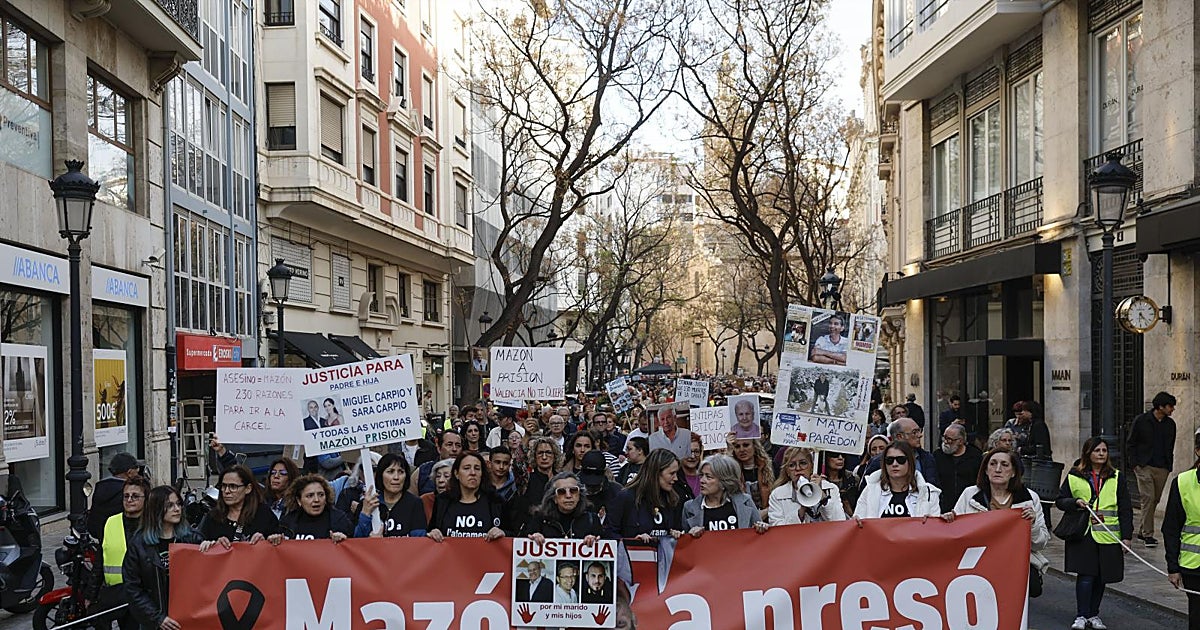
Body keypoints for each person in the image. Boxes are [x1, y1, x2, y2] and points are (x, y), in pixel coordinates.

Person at [944, 448, 1050, 593]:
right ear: (986, 471)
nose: (998, 469)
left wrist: (1032, 525)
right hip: (977, 565)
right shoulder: (970, 495)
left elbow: (1041, 544)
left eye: (1005, 465)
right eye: (993, 464)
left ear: (1013, 472)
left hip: (1014, 567)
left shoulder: (1030, 499)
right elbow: (956, 534)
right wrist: (949, 521)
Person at [1055, 436, 1133, 630]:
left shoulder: (1117, 476)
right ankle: (1082, 614)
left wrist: (1127, 537)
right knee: (1086, 575)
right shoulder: (1074, 474)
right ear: (1088, 453)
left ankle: (1094, 614)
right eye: (1097, 450)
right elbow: (1060, 500)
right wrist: (1075, 503)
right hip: (1083, 532)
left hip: (1108, 534)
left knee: (1101, 576)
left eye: (1104, 451)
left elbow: (1125, 508)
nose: (1101, 454)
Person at [123, 486, 200, 630]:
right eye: (170, 505)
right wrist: (157, 618)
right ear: (156, 509)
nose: (177, 509)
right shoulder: (139, 544)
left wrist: (209, 546)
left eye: (178, 504)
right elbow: (132, 587)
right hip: (154, 622)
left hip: (188, 617)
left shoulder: (192, 538)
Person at [1128, 391, 1177, 549]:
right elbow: (1131, 443)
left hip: (1162, 467)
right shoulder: (1141, 421)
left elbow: (1170, 446)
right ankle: (1148, 534)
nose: (1173, 409)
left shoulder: (1170, 425)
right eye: (1170, 406)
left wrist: (1169, 466)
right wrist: (1135, 464)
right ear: (1160, 407)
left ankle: (1142, 530)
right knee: (1148, 497)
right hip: (1144, 466)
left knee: (1155, 499)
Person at [100, 478, 150, 630]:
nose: (129, 500)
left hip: (145, 594)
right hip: (118, 593)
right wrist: (91, 594)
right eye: (126, 496)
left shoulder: (153, 524)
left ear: (146, 499)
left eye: (135, 496)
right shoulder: (111, 522)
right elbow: (100, 558)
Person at [1162, 430, 1200, 623]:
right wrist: (1172, 567)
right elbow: (1170, 528)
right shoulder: (1183, 482)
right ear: (1198, 451)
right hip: (1194, 565)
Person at [607, 449, 684, 542]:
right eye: (672, 473)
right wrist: (633, 542)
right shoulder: (626, 497)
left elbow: (676, 530)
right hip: (634, 555)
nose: (676, 478)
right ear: (656, 472)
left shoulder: (673, 499)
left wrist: (676, 534)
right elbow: (610, 535)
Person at [427, 452, 507, 541]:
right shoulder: (442, 500)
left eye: (477, 468)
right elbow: (431, 531)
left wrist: (502, 533)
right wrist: (433, 533)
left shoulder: (496, 501)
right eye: (466, 468)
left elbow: (512, 534)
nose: (473, 473)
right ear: (456, 473)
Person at [855, 441, 942, 520]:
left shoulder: (928, 493)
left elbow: (935, 532)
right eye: (889, 460)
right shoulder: (870, 490)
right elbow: (859, 522)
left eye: (901, 460)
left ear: (910, 462)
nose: (894, 464)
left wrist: (935, 521)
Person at [198, 465, 280, 549]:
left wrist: (267, 541)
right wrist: (212, 546)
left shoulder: (263, 514)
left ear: (248, 488)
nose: (226, 491)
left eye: (233, 487)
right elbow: (198, 545)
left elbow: (279, 547)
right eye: (223, 486)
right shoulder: (213, 517)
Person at [684, 454, 769, 534]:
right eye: (701, 475)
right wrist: (691, 535)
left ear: (724, 481)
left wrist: (761, 527)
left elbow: (758, 533)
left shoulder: (745, 501)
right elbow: (685, 544)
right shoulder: (689, 507)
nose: (702, 481)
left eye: (708, 477)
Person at [356, 453, 427, 538]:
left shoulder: (415, 503)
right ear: (381, 475)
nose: (396, 477)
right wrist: (365, 514)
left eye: (401, 472)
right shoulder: (369, 503)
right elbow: (356, 541)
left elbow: (419, 540)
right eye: (390, 471)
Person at [768, 448, 845, 525]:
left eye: (803, 463)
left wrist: (822, 496)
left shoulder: (830, 489)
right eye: (792, 465)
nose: (798, 468)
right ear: (787, 471)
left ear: (811, 467)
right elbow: (777, 528)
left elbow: (840, 522)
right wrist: (800, 512)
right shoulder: (777, 495)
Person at [521, 472, 603, 541]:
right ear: (554, 498)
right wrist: (534, 539)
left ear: (579, 495)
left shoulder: (592, 519)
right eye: (561, 491)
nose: (568, 495)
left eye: (573, 490)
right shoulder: (539, 519)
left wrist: (595, 541)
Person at [272, 474, 355, 541]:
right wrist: (276, 540)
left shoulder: (339, 520)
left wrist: (344, 540)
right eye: (310, 496)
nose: (316, 500)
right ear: (299, 500)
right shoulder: (287, 523)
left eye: (321, 495)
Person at [858, 418, 939, 487]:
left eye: (919, 431)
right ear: (899, 437)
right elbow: (865, 492)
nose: (920, 435)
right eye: (914, 432)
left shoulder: (927, 458)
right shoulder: (878, 461)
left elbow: (935, 488)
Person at [88, 452, 145, 540]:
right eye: (136, 473)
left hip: (103, 540)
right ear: (129, 473)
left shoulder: (100, 487)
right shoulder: (128, 492)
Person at [934, 424, 983, 514]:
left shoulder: (975, 456)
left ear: (960, 441)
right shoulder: (937, 456)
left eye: (949, 439)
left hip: (968, 507)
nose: (945, 441)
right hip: (943, 508)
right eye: (944, 437)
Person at [730, 438, 774, 518]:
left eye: (746, 445)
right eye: (737, 447)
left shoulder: (771, 467)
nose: (742, 450)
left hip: (770, 517)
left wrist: (766, 511)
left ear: (754, 446)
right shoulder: (732, 472)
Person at [413, 430, 463, 494]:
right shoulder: (422, 471)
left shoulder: (467, 471)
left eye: (458, 445)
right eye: (449, 445)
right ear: (439, 448)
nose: (454, 449)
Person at [823, 451, 859, 517]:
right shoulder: (817, 481)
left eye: (843, 455)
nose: (840, 458)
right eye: (834, 455)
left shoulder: (854, 480)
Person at [420, 458, 454, 523]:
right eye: (438, 476)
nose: (441, 480)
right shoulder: (425, 500)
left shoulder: (463, 501)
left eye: (446, 476)